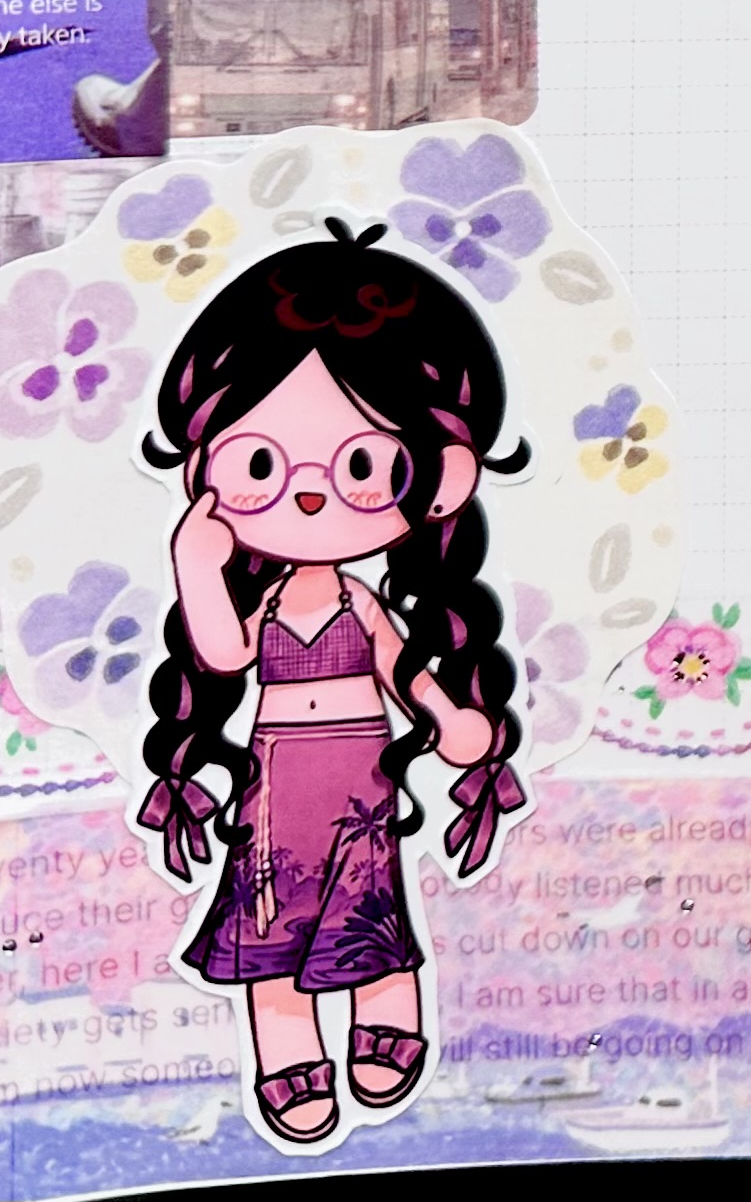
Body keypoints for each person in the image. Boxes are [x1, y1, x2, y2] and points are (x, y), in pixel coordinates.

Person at [135, 221, 529, 1146]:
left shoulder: (362, 600)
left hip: (360, 778)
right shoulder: (266, 601)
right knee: (269, 916)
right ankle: (286, 1054)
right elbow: (222, 653)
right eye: (260, 463)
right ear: (201, 467)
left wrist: (454, 722)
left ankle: (388, 1013)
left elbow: (404, 669)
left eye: (361, 465)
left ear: (446, 477)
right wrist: (195, 561)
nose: (309, 494)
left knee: (369, 903)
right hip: (275, 781)